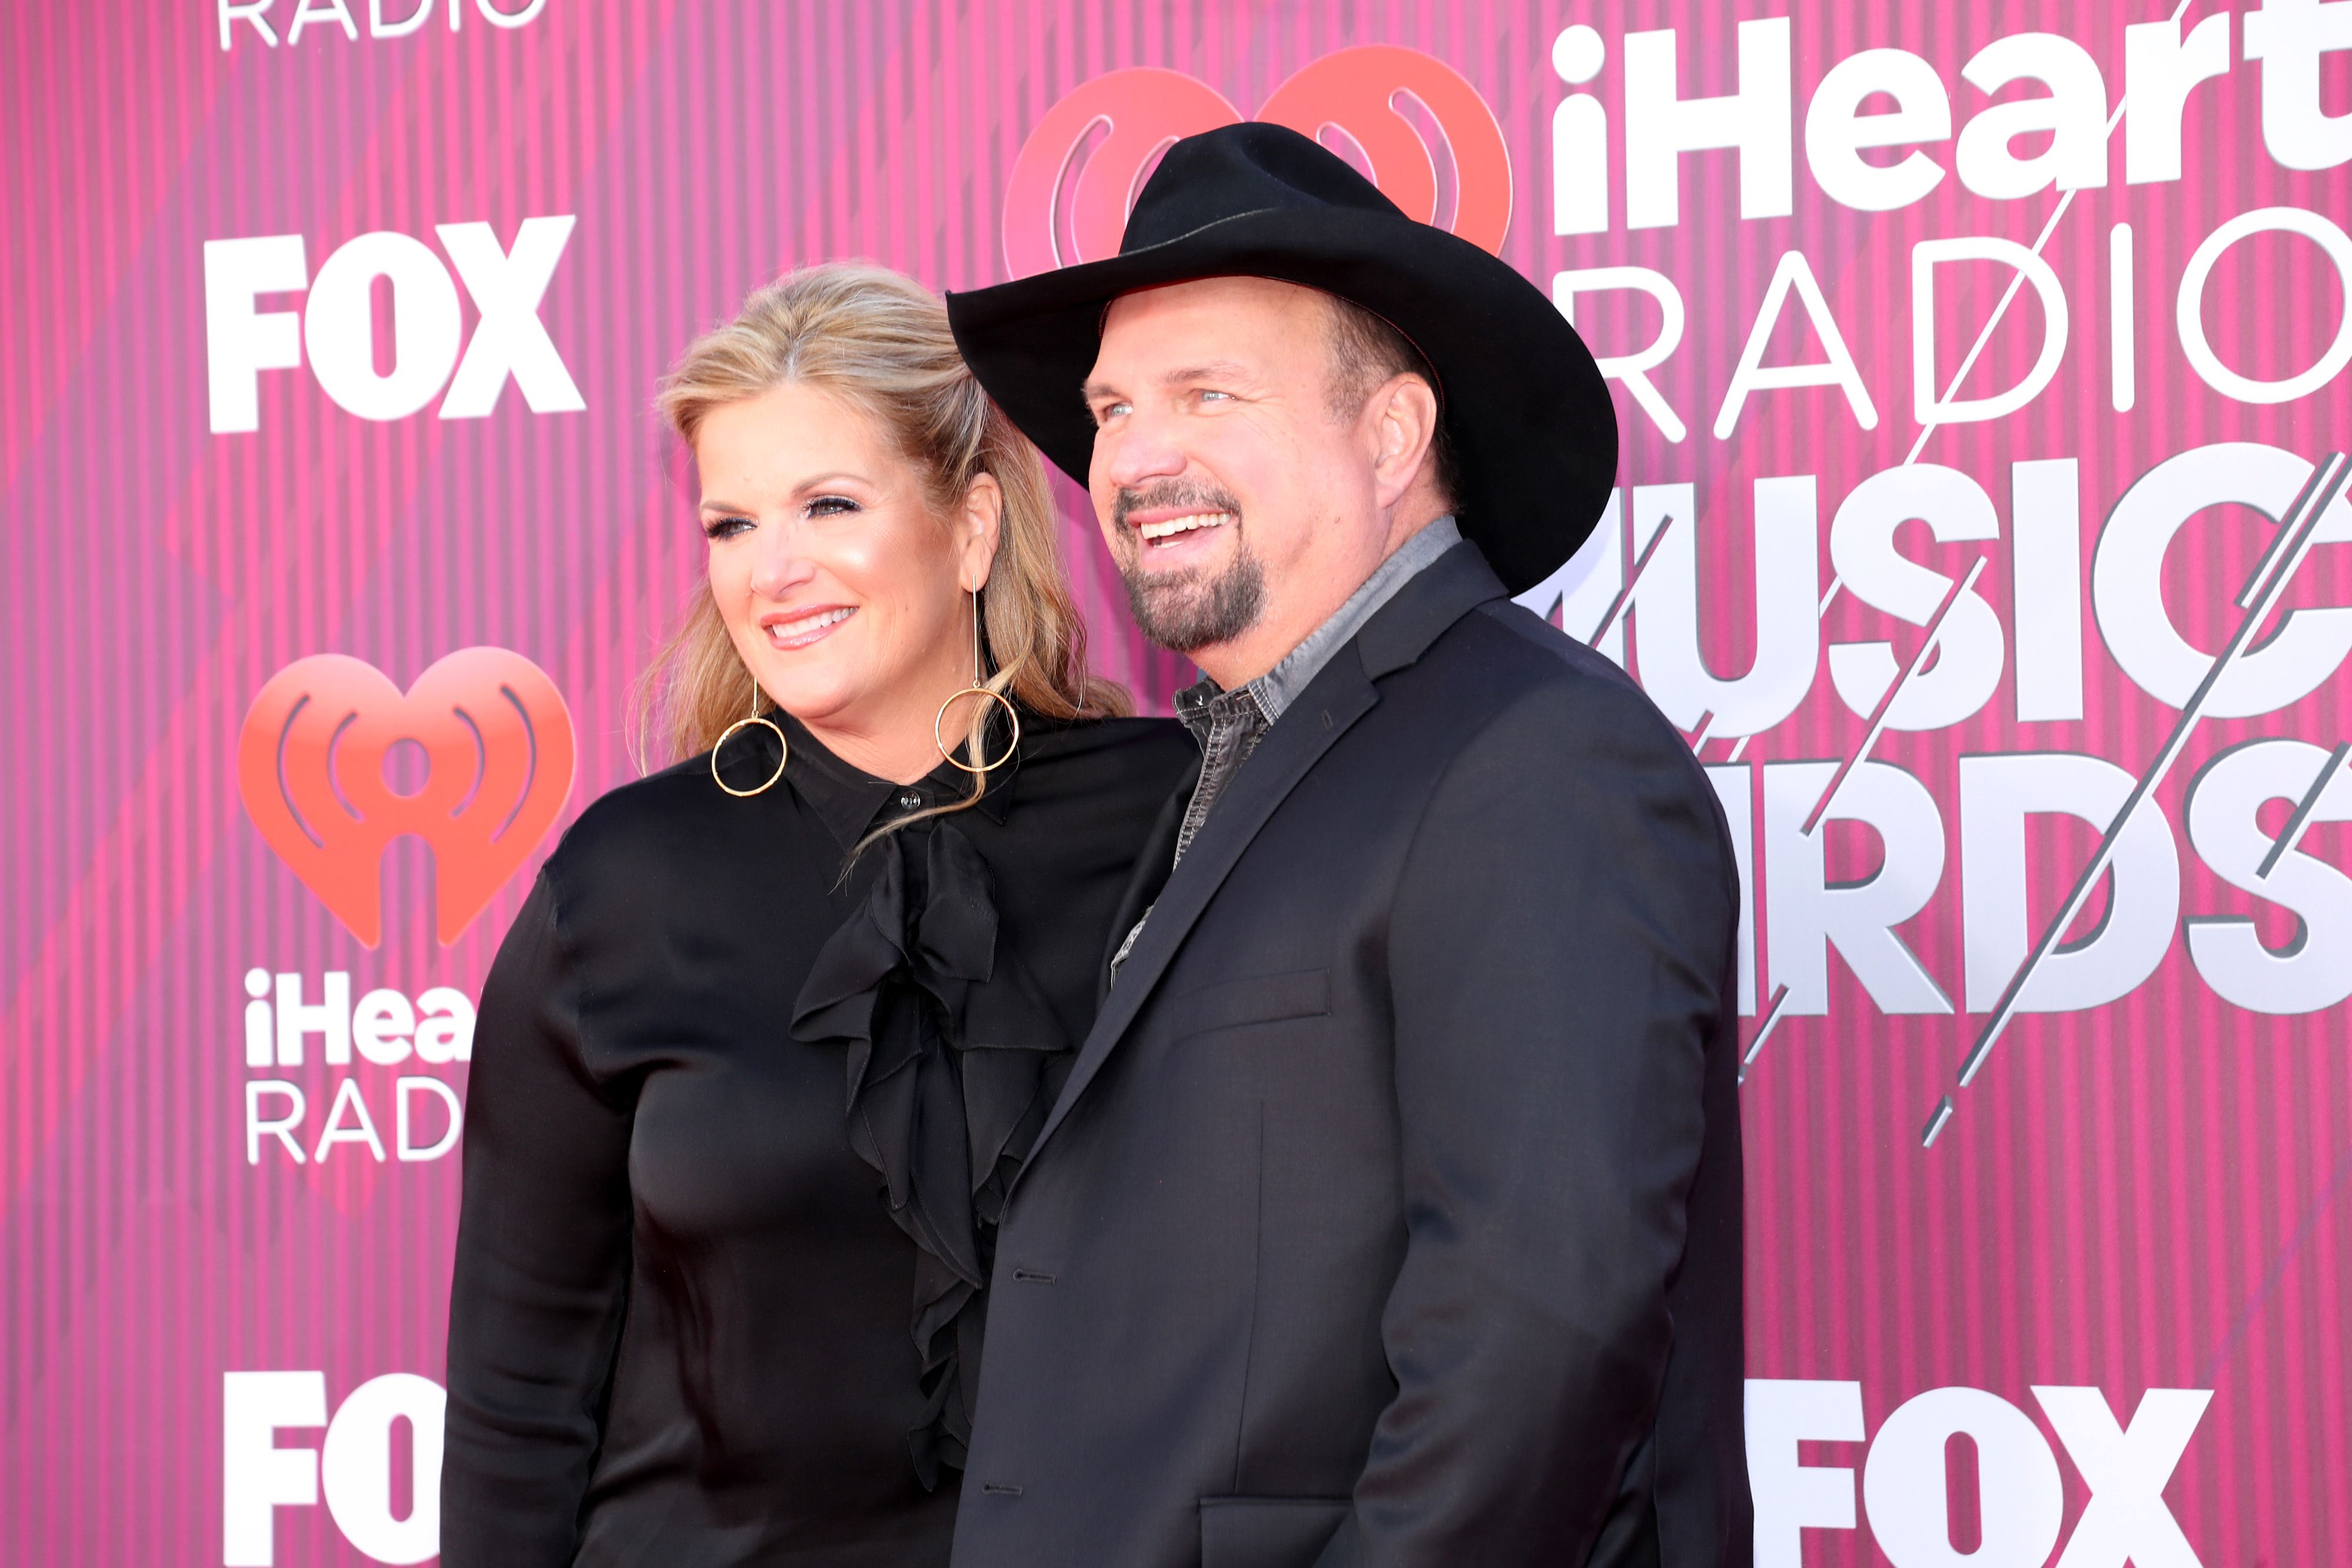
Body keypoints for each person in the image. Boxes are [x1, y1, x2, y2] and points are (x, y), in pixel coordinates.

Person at [938, 125, 1749, 1567]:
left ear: (1390, 435)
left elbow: (1531, 1349)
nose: (1135, 454)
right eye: (1115, 406)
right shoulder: (1237, 758)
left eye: (1208, 393)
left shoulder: (1537, 761)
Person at [439, 264, 1196, 1567]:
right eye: (729, 524)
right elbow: (520, 1394)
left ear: (969, 529)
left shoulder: (1171, 825)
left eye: (828, 504)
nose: (772, 570)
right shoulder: (624, 881)